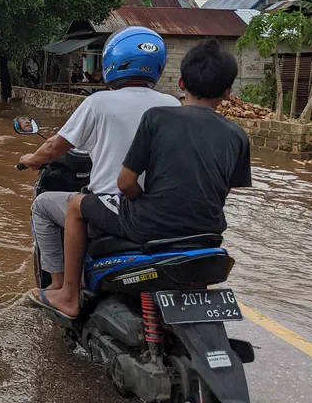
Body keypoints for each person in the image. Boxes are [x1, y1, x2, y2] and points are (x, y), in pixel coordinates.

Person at [40, 40, 252, 319]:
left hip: (148, 225)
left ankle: (68, 295)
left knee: (76, 206)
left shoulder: (158, 118)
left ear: (180, 82)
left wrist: (142, 200)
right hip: (208, 233)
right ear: (228, 92)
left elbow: (125, 183)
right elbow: (224, 189)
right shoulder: (237, 135)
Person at [23, 27, 180, 309]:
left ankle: (60, 288)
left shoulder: (98, 102)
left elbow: (54, 147)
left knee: (43, 205)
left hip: (113, 206)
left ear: (112, 62)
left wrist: (30, 160)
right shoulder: (172, 104)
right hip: (159, 209)